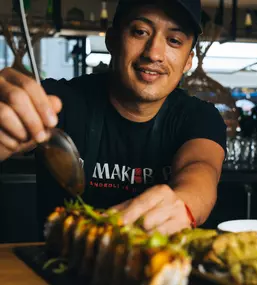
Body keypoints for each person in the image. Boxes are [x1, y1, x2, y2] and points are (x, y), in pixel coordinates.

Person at [0, 0, 226, 237]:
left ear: (188, 60)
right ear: (112, 40)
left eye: (174, 41)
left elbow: (201, 169)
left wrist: (185, 202)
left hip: (156, 267)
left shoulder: (199, 116)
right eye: (140, 32)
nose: (153, 53)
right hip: (55, 266)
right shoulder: (57, 101)